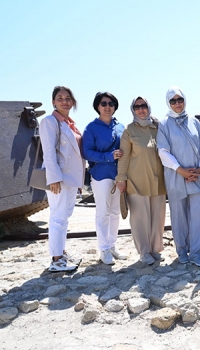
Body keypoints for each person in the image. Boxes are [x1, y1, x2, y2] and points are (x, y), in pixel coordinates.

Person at [157, 86, 200, 267]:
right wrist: (180, 170)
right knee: (179, 215)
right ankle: (182, 251)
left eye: (180, 100)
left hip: (196, 176)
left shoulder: (194, 122)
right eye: (173, 101)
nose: (177, 104)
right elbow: (163, 151)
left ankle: (198, 254)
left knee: (198, 216)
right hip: (176, 176)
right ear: (168, 103)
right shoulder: (164, 124)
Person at [116, 97, 167, 266]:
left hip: (158, 180)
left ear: (148, 107)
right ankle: (144, 251)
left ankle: (155, 249)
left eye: (143, 105)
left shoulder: (158, 127)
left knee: (158, 217)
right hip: (136, 181)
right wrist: (121, 178)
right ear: (133, 110)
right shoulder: (129, 131)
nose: (141, 109)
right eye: (136, 107)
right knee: (140, 218)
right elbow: (123, 157)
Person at [41, 86, 85, 272]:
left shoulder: (69, 123)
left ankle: (61, 252)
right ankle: (57, 260)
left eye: (68, 98)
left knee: (64, 217)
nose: (64, 101)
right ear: (53, 102)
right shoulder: (49, 122)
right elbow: (48, 152)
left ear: (73, 102)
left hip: (71, 178)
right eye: (60, 98)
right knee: (58, 217)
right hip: (59, 178)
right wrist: (53, 178)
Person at [82, 92, 126, 265]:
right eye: (103, 103)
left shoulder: (121, 126)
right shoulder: (91, 128)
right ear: (97, 106)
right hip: (100, 175)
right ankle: (104, 249)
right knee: (103, 213)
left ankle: (112, 246)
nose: (107, 106)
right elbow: (87, 152)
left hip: (119, 175)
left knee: (115, 212)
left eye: (111, 103)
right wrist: (109, 156)